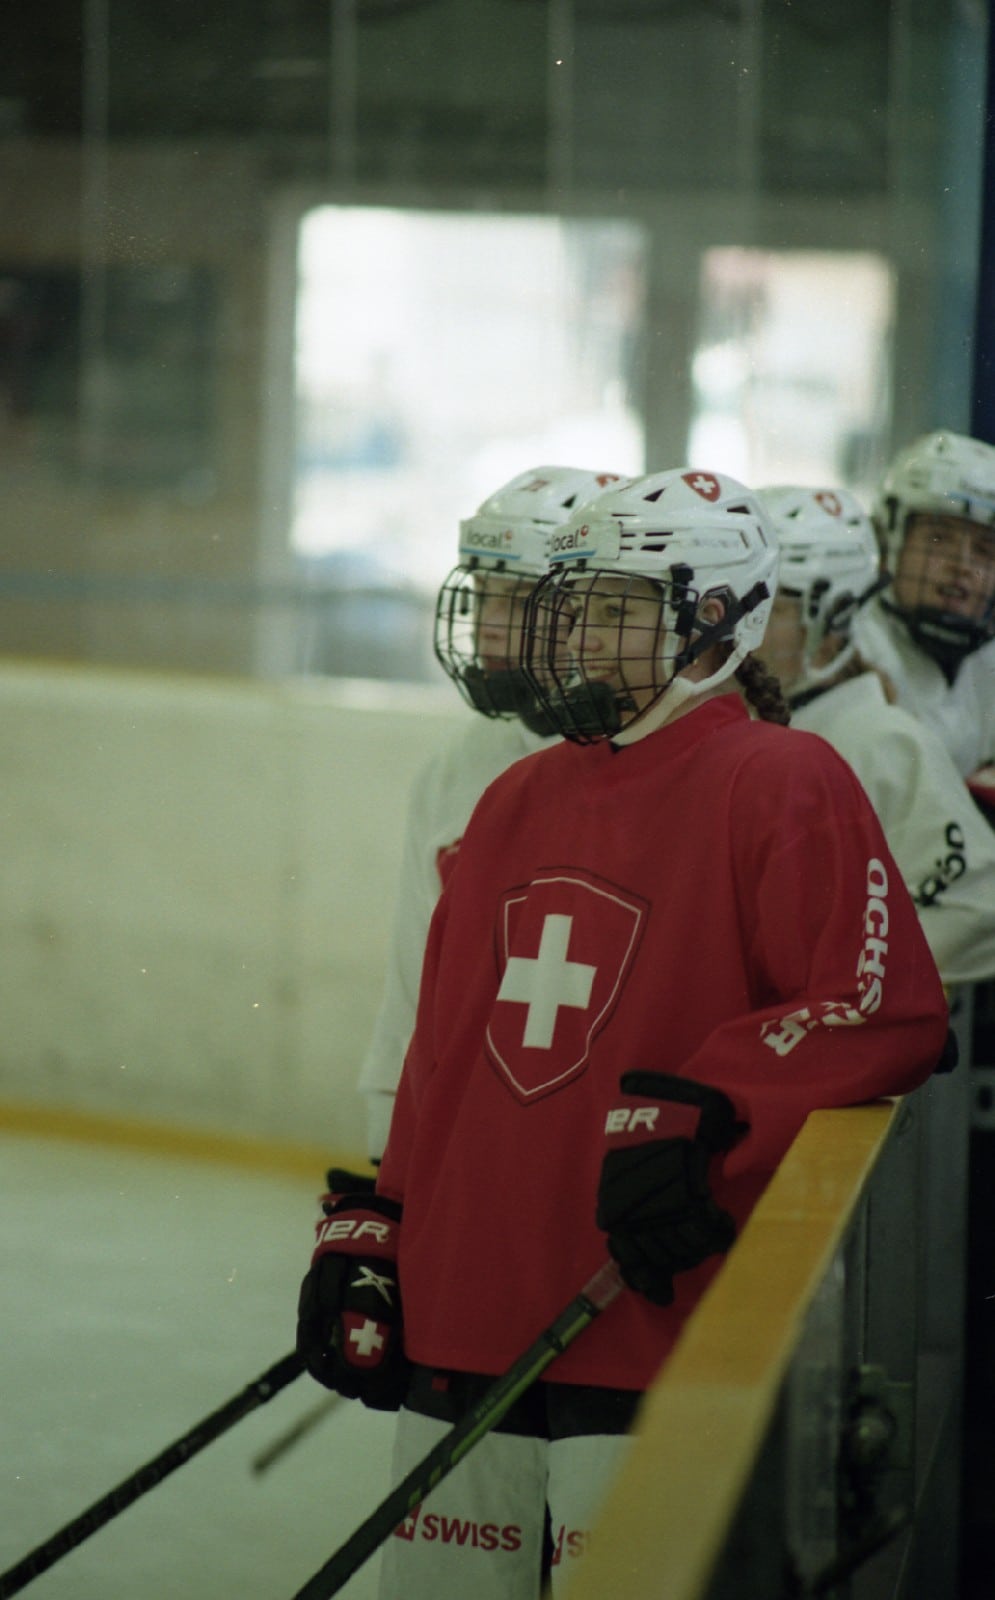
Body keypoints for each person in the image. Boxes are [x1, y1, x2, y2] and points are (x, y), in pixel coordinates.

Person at [299, 468, 949, 1599]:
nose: (581, 637)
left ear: (717, 620)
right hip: (467, 1301)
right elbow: (444, 1049)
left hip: (638, 1309)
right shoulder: (514, 796)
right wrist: (386, 1220)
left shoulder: (782, 776)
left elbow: (876, 1006)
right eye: (576, 608)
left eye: (617, 609)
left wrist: (719, 1103)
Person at [357, 465, 626, 1162]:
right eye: (481, 595)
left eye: (517, 598)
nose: (488, 627)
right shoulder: (453, 769)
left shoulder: (658, 769)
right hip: (471, 1124)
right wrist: (387, 1134)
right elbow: (412, 979)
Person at [758, 483, 995, 986]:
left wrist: (848, 992)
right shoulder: (759, 728)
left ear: (834, 621)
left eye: (769, 608)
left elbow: (978, 908)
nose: (740, 630)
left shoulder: (880, 741)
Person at [853, 430, 995, 807]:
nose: (962, 566)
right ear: (889, 541)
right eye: (938, 539)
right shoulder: (849, 649)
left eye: (984, 550)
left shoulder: (989, 662)